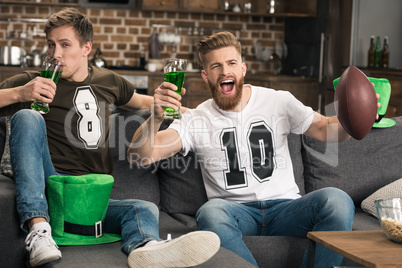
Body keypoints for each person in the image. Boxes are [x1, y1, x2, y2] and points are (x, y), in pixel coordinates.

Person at [128, 31, 380, 267]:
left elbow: (326, 129)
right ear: (205, 76)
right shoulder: (196, 119)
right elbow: (141, 155)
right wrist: (156, 115)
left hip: (287, 209)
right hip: (234, 213)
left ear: (243, 69)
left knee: (337, 200)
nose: (225, 71)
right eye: (216, 66)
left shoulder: (278, 101)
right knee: (210, 212)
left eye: (231, 63)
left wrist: (363, 113)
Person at [0, 8, 220, 268]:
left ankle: (147, 248)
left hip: (95, 197)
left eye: (65, 44)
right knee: (27, 117)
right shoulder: (33, 82)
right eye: (51, 44)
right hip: (54, 187)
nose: (55, 53)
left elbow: (141, 101)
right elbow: (19, 101)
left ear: (86, 48)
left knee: (144, 208)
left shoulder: (109, 81)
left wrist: (198, 113)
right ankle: (39, 230)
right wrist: (20, 94)